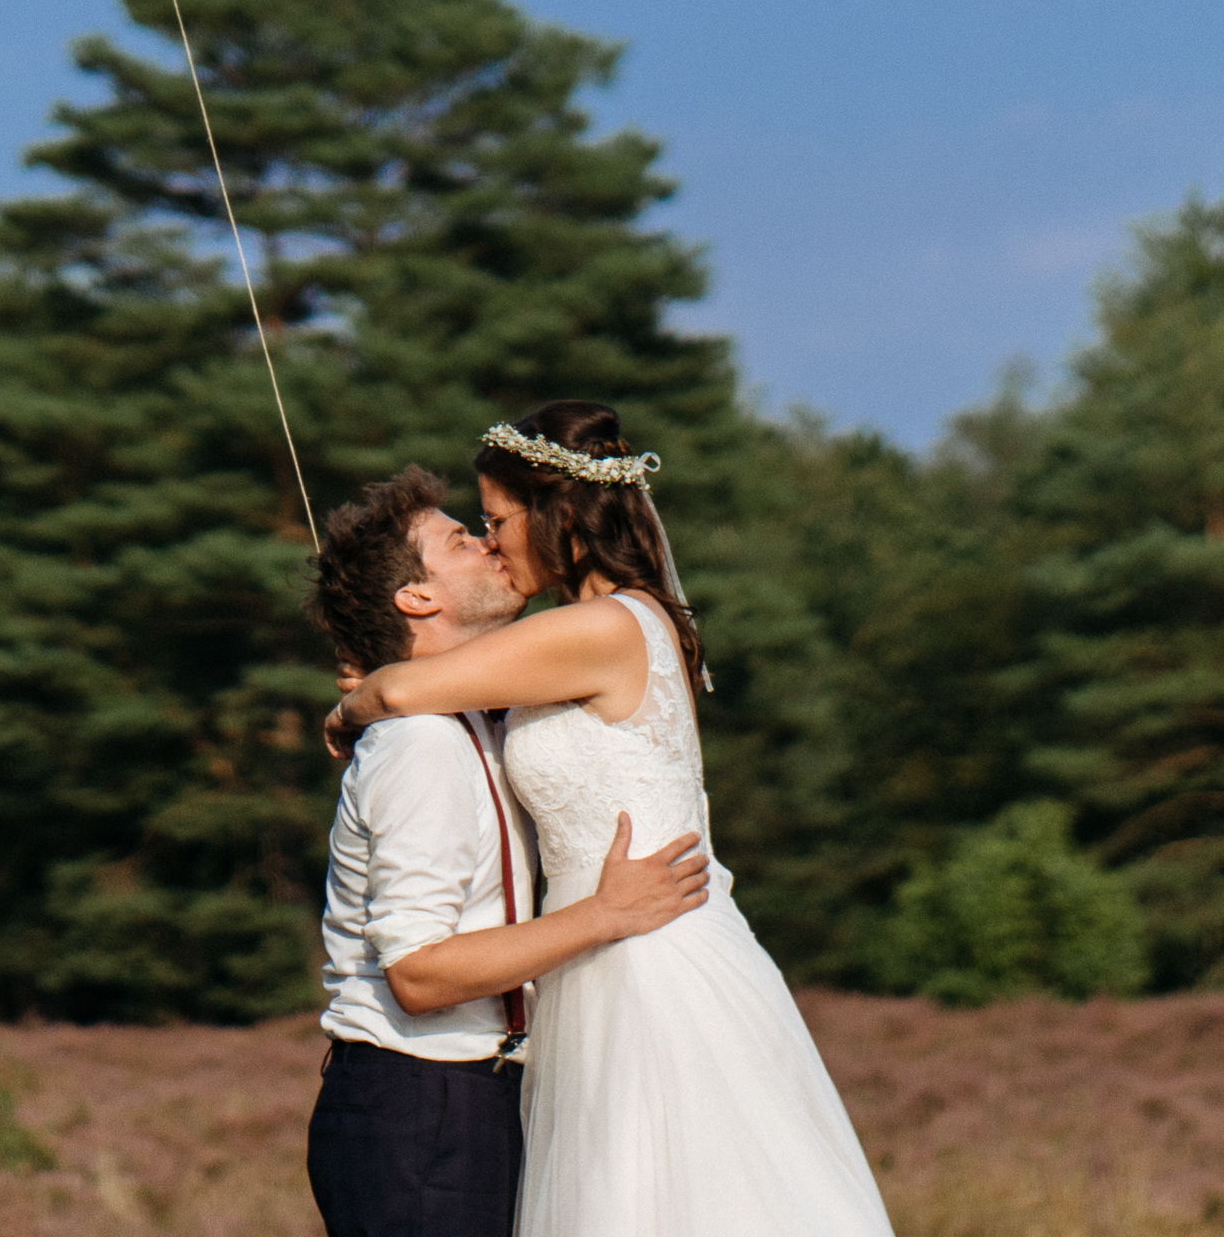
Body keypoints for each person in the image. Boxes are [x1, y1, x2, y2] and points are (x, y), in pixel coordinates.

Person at [325, 405, 897, 1237]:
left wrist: (348, 711)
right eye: (477, 529)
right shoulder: (597, 629)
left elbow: (406, 689)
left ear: (555, 514)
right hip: (597, 956)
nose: (493, 543)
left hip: (644, 954)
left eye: (497, 521)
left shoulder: (600, 626)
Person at [304, 463, 711, 1237]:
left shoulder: (477, 717)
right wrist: (605, 916)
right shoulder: (421, 746)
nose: (493, 547)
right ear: (418, 597)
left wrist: (369, 689)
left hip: (478, 1100)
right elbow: (419, 974)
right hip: (424, 1109)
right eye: (463, 540)